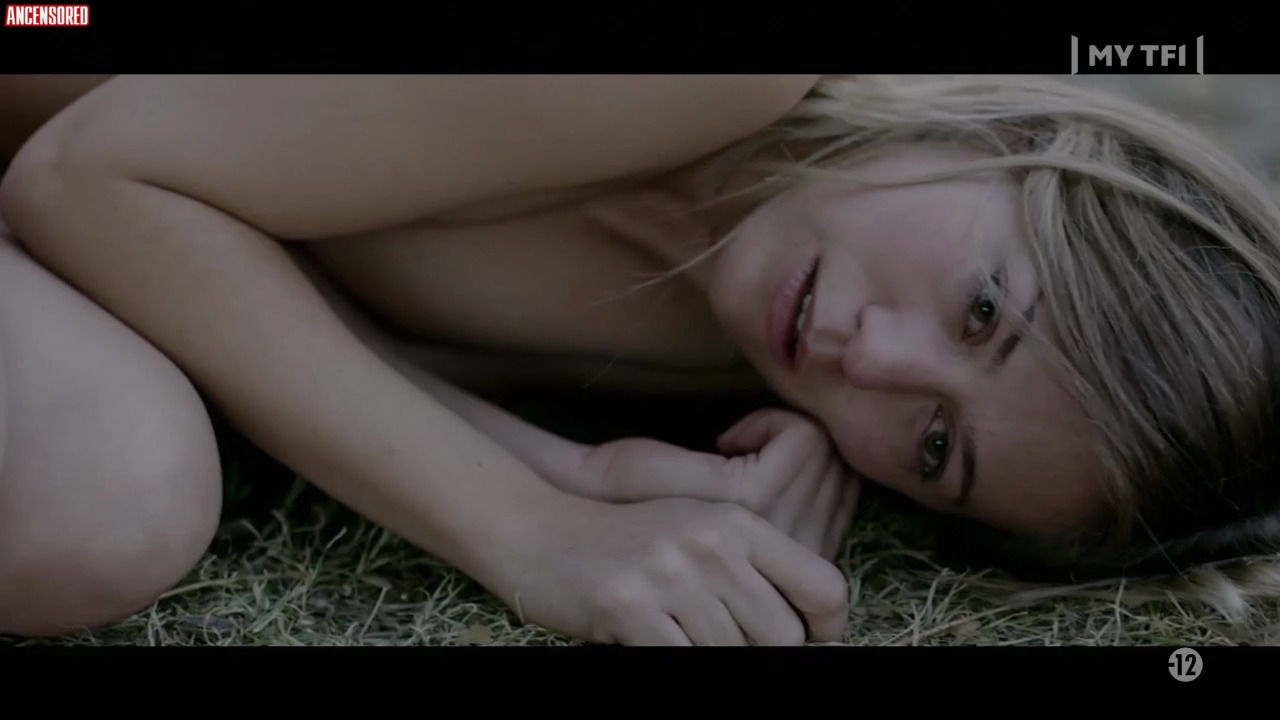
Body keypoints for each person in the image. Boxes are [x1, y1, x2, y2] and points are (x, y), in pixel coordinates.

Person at [2, 74, 1278, 646]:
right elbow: (92, 179)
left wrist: (583, 468)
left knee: (91, 505)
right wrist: (529, 526)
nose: (870, 359)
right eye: (983, 307)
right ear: (1020, 142)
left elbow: (247, 289)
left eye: (936, 445)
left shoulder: (733, 343)